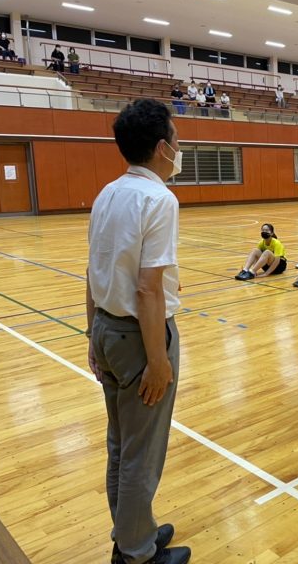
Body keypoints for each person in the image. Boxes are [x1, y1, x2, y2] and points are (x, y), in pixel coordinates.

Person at [86, 99, 191, 564]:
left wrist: (92, 336)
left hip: (108, 332)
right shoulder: (158, 199)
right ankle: (135, 553)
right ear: (163, 147)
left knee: (120, 445)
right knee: (141, 455)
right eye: (177, 140)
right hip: (139, 337)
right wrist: (158, 358)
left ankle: (134, 531)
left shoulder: (107, 193)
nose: (179, 148)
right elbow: (148, 290)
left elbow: (93, 271)